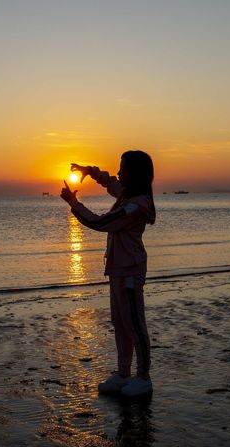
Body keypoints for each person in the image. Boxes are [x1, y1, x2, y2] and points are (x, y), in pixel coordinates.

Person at [60, 150, 156, 397]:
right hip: (117, 270)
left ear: (134, 174)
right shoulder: (126, 194)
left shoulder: (136, 205)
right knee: (120, 323)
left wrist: (74, 203)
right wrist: (89, 171)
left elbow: (101, 223)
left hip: (131, 272)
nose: (118, 172)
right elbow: (110, 182)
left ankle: (143, 377)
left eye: (122, 168)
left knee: (135, 324)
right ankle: (123, 373)